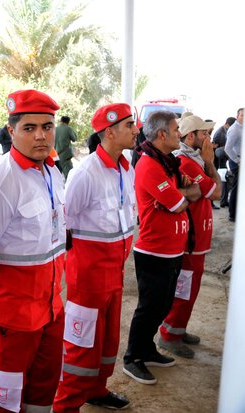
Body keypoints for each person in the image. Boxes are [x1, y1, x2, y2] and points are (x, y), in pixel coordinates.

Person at [0, 90, 65, 413]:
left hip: (51, 308)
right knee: (5, 398)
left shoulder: (52, 172)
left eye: (47, 126)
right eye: (29, 128)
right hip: (14, 318)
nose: (41, 135)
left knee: (42, 391)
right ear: (11, 129)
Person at [53, 103, 138, 412]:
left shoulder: (125, 168)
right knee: (81, 348)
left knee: (106, 343)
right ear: (110, 132)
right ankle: (66, 405)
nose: (135, 129)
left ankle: (96, 389)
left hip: (114, 273)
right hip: (88, 279)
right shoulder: (85, 173)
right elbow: (66, 222)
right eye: (130, 125)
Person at [122, 110, 201, 385]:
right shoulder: (149, 165)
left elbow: (193, 192)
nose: (180, 134)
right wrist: (182, 195)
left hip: (172, 249)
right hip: (154, 251)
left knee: (163, 304)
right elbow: (180, 203)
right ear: (162, 134)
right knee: (149, 306)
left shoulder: (167, 163)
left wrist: (181, 194)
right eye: (176, 129)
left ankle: (147, 349)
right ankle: (132, 358)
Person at [158, 115, 220, 358]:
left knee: (189, 289)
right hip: (189, 241)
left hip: (197, 240)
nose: (209, 138)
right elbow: (216, 193)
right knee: (183, 290)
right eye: (204, 133)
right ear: (190, 136)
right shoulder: (187, 162)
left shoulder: (194, 161)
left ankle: (178, 329)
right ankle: (169, 335)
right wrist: (211, 164)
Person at [214, 117, 236, 207]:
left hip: (224, 159)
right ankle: (223, 200)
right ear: (227, 124)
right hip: (219, 161)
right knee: (223, 179)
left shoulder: (225, 130)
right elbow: (215, 147)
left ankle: (224, 200)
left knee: (225, 179)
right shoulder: (219, 132)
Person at [225, 108, 242, 222]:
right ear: (238, 116)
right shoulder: (235, 129)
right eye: (242, 115)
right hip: (236, 161)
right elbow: (227, 148)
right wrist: (237, 160)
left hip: (240, 160)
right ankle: (232, 215)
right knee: (236, 189)